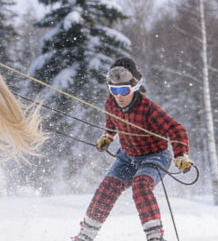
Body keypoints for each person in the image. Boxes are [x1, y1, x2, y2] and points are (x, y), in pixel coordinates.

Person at [72, 57, 194, 241]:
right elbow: (111, 122)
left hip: (155, 156)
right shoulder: (111, 103)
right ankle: (85, 236)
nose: (119, 96)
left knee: (141, 185)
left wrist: (181, 155)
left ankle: (155, 237)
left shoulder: (148, 109)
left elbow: (176, 130)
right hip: (127, 157)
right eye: (114, 90)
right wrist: (107, 136)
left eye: (124, 90)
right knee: (107, 188)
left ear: (135, 87)